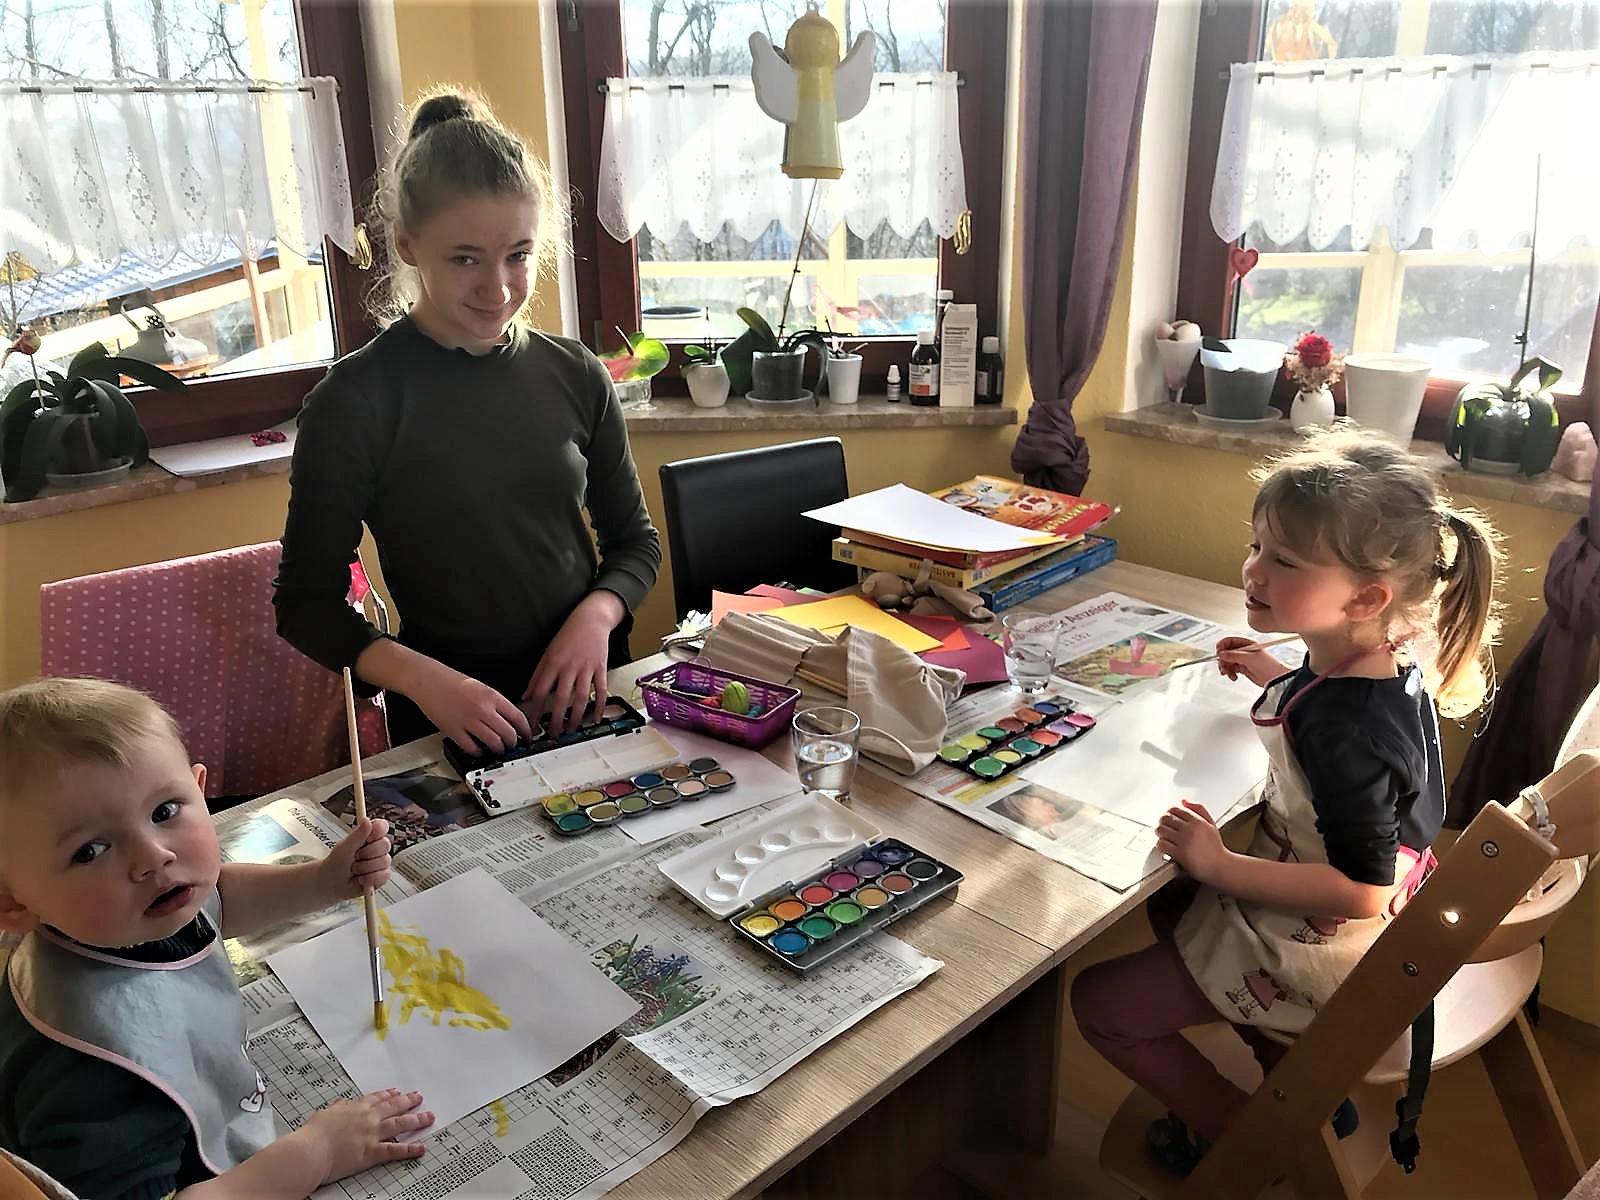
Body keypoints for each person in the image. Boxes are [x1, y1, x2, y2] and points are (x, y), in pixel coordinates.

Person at [1072, 427, 1502, 1175]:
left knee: (1101, 1005)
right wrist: (1278, 674)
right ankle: (1299, 1084)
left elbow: (1362, 890)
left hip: (1329, 945)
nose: (1253, 570)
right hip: (1362, 913)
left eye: (1285, 561)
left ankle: (1248, 1141)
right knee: (1172, 905)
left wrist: (1220, 864)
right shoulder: (1378, 661)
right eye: (1257, 546)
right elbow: (1342, 728)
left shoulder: (1346, 734)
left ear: (1366, 597)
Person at [274, 88, 661, 753]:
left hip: (592, 701)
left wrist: (597, 617)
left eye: (518, 255)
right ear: (407, 245)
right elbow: (305, 605)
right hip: (453, 724)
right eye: (464, 259)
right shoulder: (356, 401)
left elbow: (635, 544)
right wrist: (426, 682)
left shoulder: (576, 372)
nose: (498, 287)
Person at [0, 678, 434, 1197]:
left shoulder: (126, 913)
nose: (154, 856)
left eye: (164, 812)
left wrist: (323, 881)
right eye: (89, 851)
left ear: (199, 789)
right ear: (10, 904)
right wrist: (316, 1153)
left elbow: (218, 899)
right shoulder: (89, 1068)